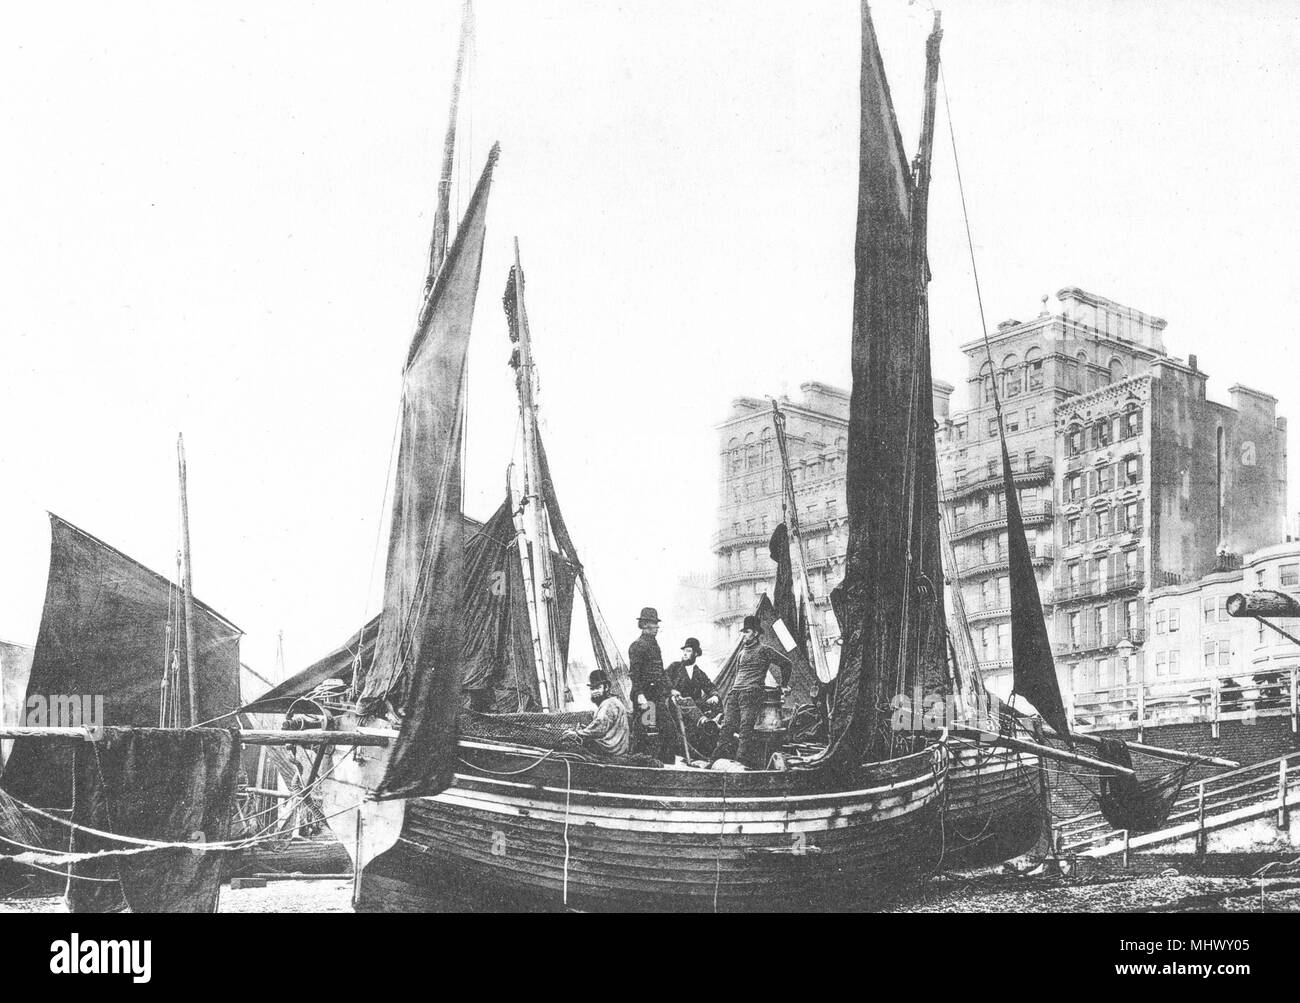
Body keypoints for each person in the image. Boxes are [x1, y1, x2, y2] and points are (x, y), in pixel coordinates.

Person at [716, 615, 793, 768]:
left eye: (747, 631)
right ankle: (716, 761)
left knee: (745, 730)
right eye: (742, 631)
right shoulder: (741, 654)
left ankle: (740, 765)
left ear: (756, 633)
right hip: (735, 693)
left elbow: (786, 664)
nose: (743, 635)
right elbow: (739, 675)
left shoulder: (764, 650)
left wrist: (783, 685)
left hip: (751, 694)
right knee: (727, 728)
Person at [628, 606, 673, 763]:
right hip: (646, 699)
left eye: (656, 623)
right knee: (648, 733)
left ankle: (665, 766)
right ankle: (644, 765)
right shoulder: (637, 645)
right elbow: (634, 673)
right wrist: (640, 695)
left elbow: (659, 670)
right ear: (644, 625)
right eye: (654, 623)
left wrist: (670, 689)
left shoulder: (654, 645)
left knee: (667, 730)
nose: (657, 627)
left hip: (656, 697)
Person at [666, 637, 721, 758]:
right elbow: (664, 681)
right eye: (684, 650)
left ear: (696, 653)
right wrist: (671, 690)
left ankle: (715, 723)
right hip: (675, 708)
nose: (685, 653)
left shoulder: (699, 673)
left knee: (715, 702)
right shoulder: (674, 667)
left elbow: (710, 687)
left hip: (693, 711)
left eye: (689, 651)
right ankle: (704, 721)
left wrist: (714, 696)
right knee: (687, 700)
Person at [563, 669, 629, 757]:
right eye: (592, 689)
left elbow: (599, 727)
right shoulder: (613, 701)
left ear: (606, 687)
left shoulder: (609, 704)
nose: (594, 692)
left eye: (598, 688)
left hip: (611, 749)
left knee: (570, 743)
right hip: (618, 747)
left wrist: (578, 733)